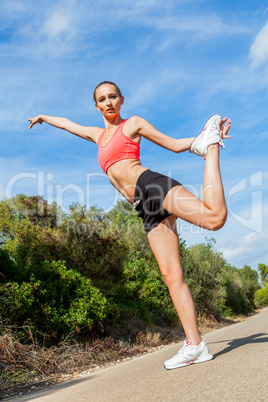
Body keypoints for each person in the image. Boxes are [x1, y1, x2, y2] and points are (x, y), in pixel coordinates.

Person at [28, 80, 231, 370]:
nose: (108, 102)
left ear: (121, 100)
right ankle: (195, 344)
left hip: (151, 186)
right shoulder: (97, 136)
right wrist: (44, 118)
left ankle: (212, 149)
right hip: (144, 207)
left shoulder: (132, 124)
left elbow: (173, 145)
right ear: (96, 105)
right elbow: (67, 124)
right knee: (171, 276)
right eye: (102, 99)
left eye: (113, 97)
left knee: (214, 219)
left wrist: (203, 141)